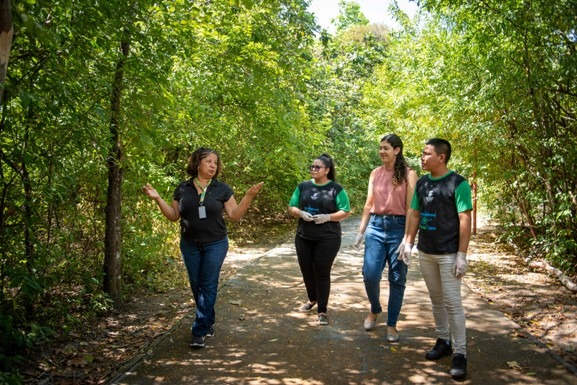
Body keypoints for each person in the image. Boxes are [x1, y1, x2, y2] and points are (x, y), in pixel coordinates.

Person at [142, 147, 264, 349]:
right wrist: (157, 199)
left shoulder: (222, 189)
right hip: (189, 244)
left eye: (215, 163)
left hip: (216, 243)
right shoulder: (183, 189)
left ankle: (198, 332)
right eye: (209, 161)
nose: (213, 166)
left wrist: (249, 196)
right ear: (197, 163)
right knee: (196, 286)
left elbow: (234, 215)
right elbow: (173, 216)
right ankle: (208, 322)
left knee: (207, 285)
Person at [399, 138, 472, 379]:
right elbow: (416, 213)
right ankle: (443, 341)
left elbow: (465, 220)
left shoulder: (458, 183)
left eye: (426, 153)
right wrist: (408, 241)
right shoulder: (421, 182)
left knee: (452, 302)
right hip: (427, 251)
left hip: (449, 253)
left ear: (441, 157)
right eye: (422, 153)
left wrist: (462, 254)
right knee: (436, 299)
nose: (422, 157)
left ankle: (460, 353)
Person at [353, 134, 418, 342]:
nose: (382, 151)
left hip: (399, 228)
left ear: (397, 150)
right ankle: (374, 308)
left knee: (397, 278)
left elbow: (411, 209)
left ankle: (391, 324)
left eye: (386, 148)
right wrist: (361, 232)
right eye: (380, 148)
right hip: (376, 226)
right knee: (370, 274)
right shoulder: (375, 173)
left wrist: (408, 240)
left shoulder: (409, 174)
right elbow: (368, 204)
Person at [288, 154, 351, 325]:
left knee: (321, 271)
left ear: (327, 170)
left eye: (318, 167)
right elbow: (291, 206)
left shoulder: (336, 189)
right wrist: (300, 213)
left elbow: (345, 211)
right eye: (312, 167)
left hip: (328, 237)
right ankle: (312, 299)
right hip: (304, 236)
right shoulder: (303, 186)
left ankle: (322, 310)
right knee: (306, 270)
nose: (313, 170)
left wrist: (328, 217)